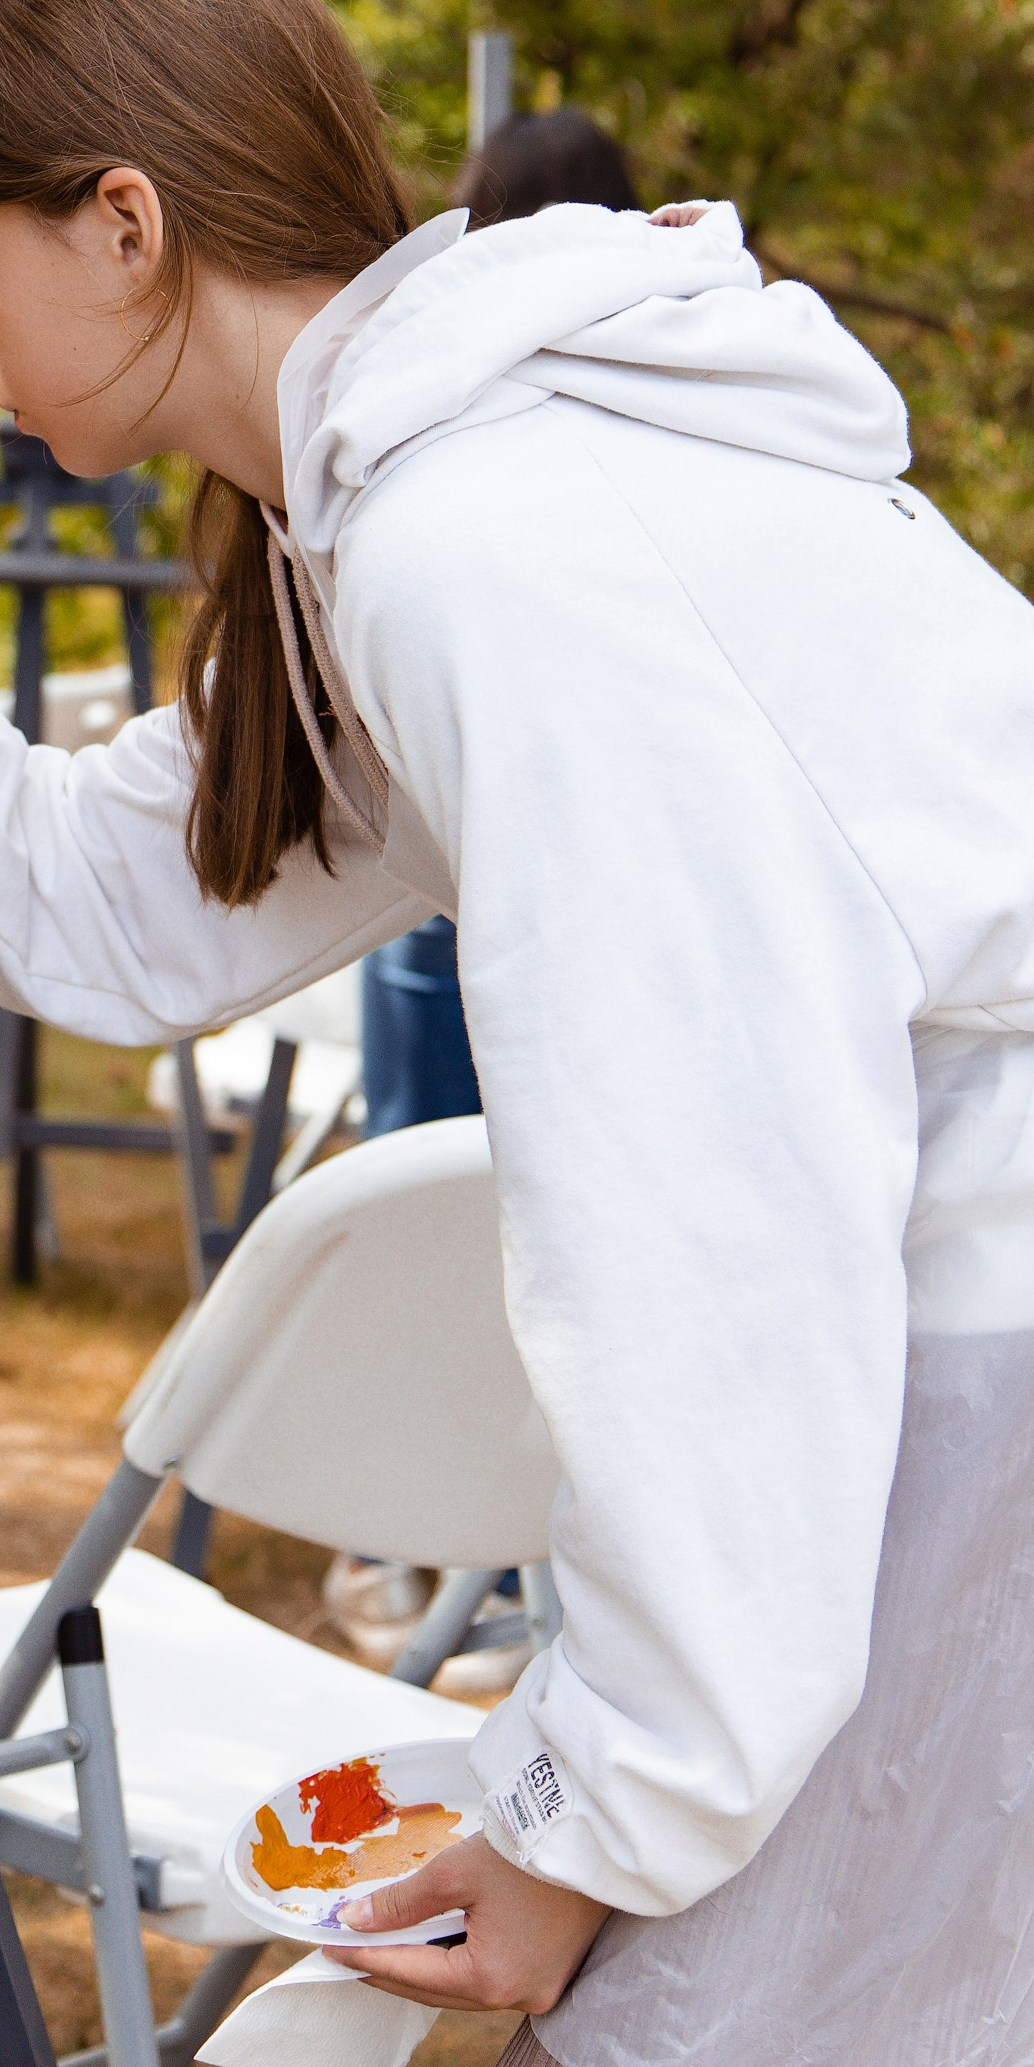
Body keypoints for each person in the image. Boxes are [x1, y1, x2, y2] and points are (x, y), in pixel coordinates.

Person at [0, 0, 1034, 2067]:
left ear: (119, 223)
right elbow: (119, 913)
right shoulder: (391, 496)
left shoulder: (484, 534)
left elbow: (702, 1211)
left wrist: (590, 1820)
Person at [327, 102, 640, 1674]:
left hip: (463, 893)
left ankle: (425, 1548)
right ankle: (505, 1580)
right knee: (560, 1236)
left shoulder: (432, 380)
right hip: (591, 894)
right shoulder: (655, 357)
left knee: (427, 1199)